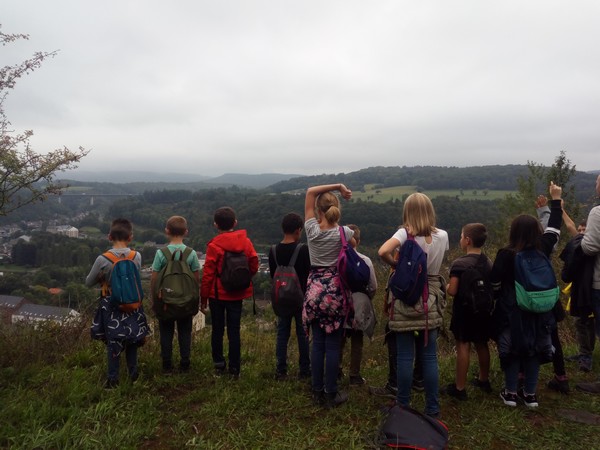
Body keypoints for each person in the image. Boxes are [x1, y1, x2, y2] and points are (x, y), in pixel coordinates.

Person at [492, 181, 563, 408]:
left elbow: (494, 281)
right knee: (533, 350)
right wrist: (556, 200)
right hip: (541, 311)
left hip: (512, 311)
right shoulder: (543, 247)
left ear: (513, 232)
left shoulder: (506, 254)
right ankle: (531, 395)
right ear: (536, 232)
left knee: (513, 350)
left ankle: (511, 393)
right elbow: (554, 228)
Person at [378, 193, 449, 418]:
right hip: (431, 296)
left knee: (405, 356)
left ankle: (403, 407)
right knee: (429, 357)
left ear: (408, 211)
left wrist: (397, 265)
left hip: (407, 296)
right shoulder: (443, 236)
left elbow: (382, 252)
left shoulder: (404, 234)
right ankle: (432, 408)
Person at [302, 183, 353, 408]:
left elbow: (311, 191)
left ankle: (316, 391)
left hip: (314, 290)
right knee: (333, 345)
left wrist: (338, 186)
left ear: (318, 211)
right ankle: (331, 393)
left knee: (317, 344)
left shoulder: (311, 231)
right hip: (335, 292)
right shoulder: (345, 232)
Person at [87, 218, 150, 389]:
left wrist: (102, 278)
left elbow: (88, 282)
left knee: (114, 342)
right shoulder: (136, 256)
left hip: (111, 304)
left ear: (109, 237)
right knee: (132, 340)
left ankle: (112, 380)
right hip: (133, 304)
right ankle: (134, 375)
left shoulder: (102, 259)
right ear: (130, 237)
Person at [201, 206, 259, 379]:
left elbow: (208, 274)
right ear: (235, 222)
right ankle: (235, 369)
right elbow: (254, 264)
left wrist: (203, 298)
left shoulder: (214, 245)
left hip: (217, 294)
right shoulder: (246, 242)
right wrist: (241, 279)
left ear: (216, 225)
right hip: (237, 294)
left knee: (217, 329)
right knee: (234, 331)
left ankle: (219, 365)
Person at [443, 223, 493, 400]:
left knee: (463, 345)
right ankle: (483, 379)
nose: (460, 239)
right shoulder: (488, 262)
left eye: (461, 236)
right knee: (481, 343)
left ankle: (460, 387)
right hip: (484, 310)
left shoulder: (460, 263)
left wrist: (447, 285)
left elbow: (453, 291)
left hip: (464, 311)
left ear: (468, 240)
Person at [150, 215, 201, 374]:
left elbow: (154, 279)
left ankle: (167, 365)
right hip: (185, 301)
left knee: (166, 332)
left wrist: (154, 298)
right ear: (186, 232)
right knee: (185, 332)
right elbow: (195, 279)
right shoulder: (191, 253)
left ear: (167, 231)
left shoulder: (161, 253)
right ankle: (185, 364)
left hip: (166, 301)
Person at [268, 212, 311, 381]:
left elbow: (273, 275)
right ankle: (304, 370)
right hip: (300, 298)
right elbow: (307, 275)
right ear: (298, 230)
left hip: (281, 298)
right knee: (303, 334)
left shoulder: (273, 250)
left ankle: (281, 370)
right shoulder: (303, 249)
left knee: (282, 333)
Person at [339, 224, 377, 386]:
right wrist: (366, 298)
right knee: (357, 340)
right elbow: (373, 286)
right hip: (359, 304)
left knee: (339, 340)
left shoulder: (337, 258)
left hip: (340, 302)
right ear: (358, 241)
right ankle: (354, 376)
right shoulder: (365, 261)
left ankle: (336, 371)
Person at [576, 174, 600, 394]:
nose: (596, 185)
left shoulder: (597, 212)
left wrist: (579, 241)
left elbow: (590, 247)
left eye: (597, 182)